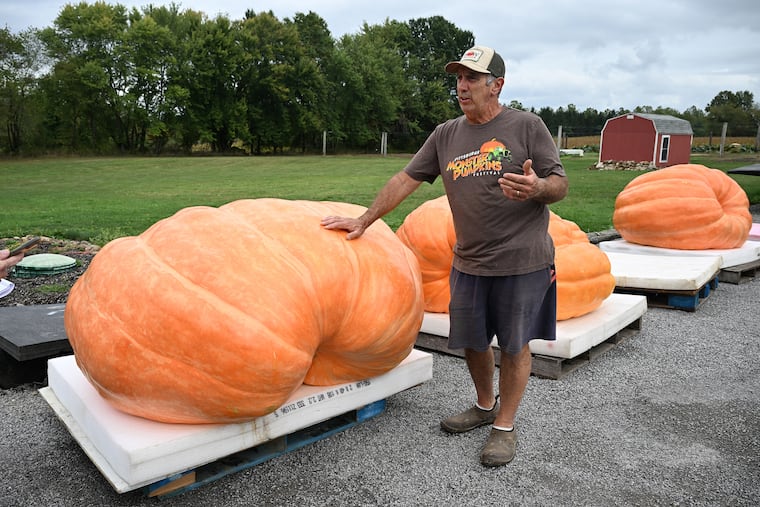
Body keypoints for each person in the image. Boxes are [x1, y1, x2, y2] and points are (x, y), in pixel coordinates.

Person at [321, 45, 568, 466]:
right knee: (471, 341)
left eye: (472, 78)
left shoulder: (527, 125)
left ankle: (504, 427)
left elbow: (559, 182)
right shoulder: (446, 134)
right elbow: (406, 178)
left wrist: (539, 188)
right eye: (458, 78)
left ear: (497, 85)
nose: (462, 86)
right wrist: (365, 218)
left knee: (513, 344)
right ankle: (485, 404)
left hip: (522, 261)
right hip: (469, 261)